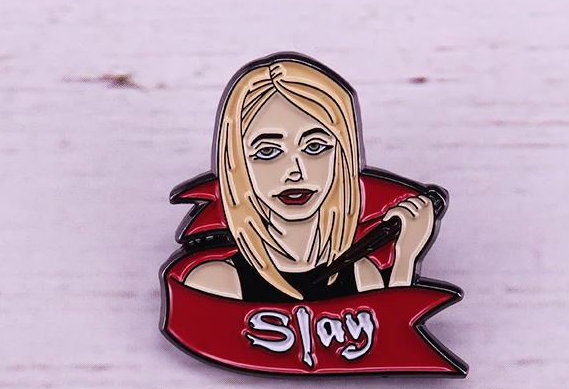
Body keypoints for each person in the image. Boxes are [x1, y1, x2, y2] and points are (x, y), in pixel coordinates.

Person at [184, 54, 436, 301]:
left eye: (314, 147)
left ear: (343, 155)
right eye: (268, 152)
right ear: (237, 163)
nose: (295, 171)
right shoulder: (215, 283)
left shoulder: (362, 275)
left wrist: (405, 256)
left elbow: (390, 327)